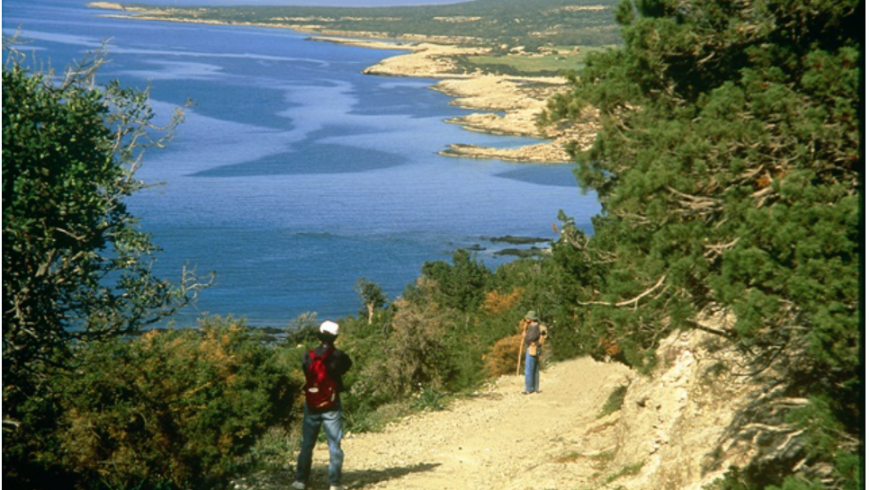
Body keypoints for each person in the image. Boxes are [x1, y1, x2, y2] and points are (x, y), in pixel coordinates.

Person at [292, 320, 353, 490]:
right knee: (334, 445)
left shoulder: (308, 355)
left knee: (307, 444)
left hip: (312, 403)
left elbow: (306, 372)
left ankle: (300, 480)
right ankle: (334, 483)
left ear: (320, 336)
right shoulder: (339, 356)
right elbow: (347, 367)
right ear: (335, 337)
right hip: (332, 403)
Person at [521, 310, 545, 394]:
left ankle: (528, 389)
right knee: (535, 369)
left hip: (532, 349)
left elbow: (530, 339)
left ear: (531, 319)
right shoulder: (537, 326)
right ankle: (535, 388)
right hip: (537, 350)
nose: (526, 319)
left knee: (529, 369)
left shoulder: (533, 327)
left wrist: (525, 336)